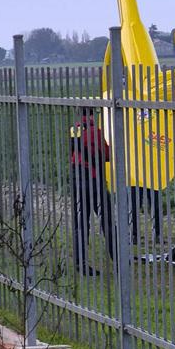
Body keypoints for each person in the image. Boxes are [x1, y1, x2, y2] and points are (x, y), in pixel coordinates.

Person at [69, 107, 114, 276]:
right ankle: (116, 256)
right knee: (107, 219)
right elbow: (106, 154)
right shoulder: (96, 131)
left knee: (80, 224)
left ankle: (80, 263)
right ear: (92, 114)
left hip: (76, 179)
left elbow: (72, 153)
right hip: (94, 180)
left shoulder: (74, 130)